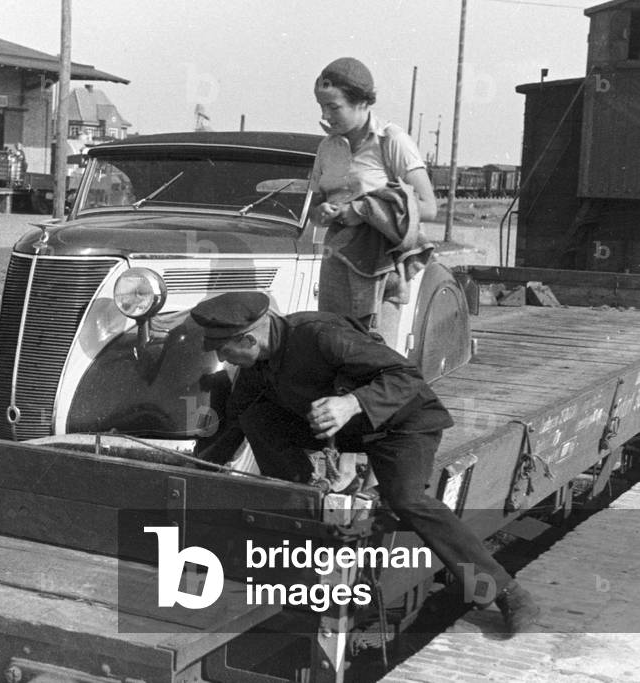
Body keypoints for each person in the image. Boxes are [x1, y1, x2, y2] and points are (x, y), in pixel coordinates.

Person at [191, 291, 540, 634]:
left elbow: (405, 376)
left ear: (249, 339)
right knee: (254, 416)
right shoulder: (259, 364)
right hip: (344, 432)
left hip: (401, 427)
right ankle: (310, 502)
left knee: (407, 500)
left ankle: (506, 592)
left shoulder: (321, 335)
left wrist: (353, 404)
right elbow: (235, 420)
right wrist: (200, 471)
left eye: (225, 350)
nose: (224, 359)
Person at [309, 57, 437, 326]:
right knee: (333, 347)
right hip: (336, 264)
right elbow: (314, 207)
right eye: (321, 107)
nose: (324, 116)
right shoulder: (326, 148)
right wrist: (320, 212)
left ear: (362, 102)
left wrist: (362, 211)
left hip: (381, 268)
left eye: (333, 107)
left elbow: (428, 206)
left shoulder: (392, 142)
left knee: (376, 356)